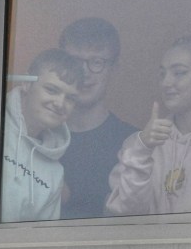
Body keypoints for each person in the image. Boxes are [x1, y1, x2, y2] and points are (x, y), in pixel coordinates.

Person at [106, 36, 191, 215]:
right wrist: (142, 151)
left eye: (179, 73)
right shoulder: (139, 144)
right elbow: (125, 218)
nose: (166, 83)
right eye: (162, 74)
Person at [57, 18, 137, 219]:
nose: (84, 72)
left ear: (114, 67)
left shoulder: (133, 143)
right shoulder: (37, 137)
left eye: (96, 62)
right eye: (75, 61)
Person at [0, 49, 84, 222]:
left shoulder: (55, 173)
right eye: (52, 90)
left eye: (70, 98)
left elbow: (39, 239)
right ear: (27, 83)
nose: (60, 103)